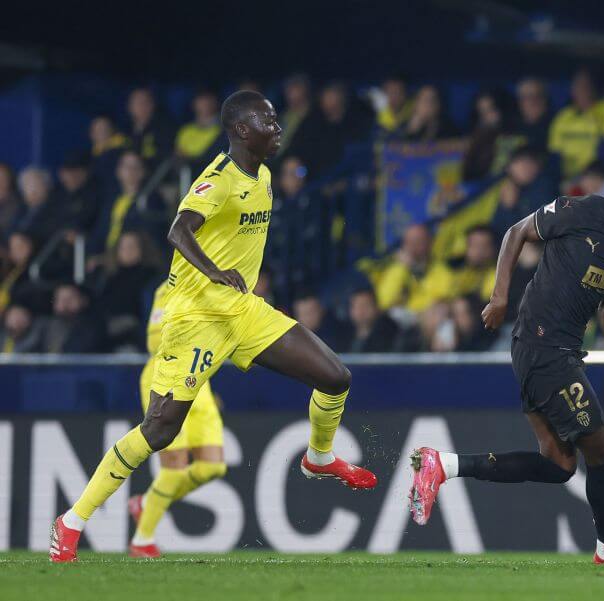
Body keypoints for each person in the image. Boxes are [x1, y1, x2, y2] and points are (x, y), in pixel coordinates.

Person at [50, 90, 377, 563]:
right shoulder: (218, 178)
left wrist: (235, 281)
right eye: (268, 120)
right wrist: (212, 270)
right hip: (196, 317)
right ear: (242, 130)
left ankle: (318, 457)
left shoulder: (263, 175)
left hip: (243, 311)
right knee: (160, 430)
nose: (278, 127)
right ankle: (72, 520)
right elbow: (179, 229)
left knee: (336, 377)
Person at [408, 158, 604, 566]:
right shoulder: (580, 211)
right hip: (542, 344)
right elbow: (517, 233)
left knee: (559, 464)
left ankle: (441, 465)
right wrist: (499, 296)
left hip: (556, 351)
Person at [125, 280, 225, 558]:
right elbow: (154, 341)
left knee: (212, 468)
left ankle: (146, 503)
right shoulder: (168, 287)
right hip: (166, 378)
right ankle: (142, 541)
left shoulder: (219, 283)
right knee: (175, 468)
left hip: (199, 381)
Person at [549, 70, 604, 180]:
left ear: (593, 88)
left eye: (586, 86)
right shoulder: (563, 116)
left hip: (597, 176)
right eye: (578, 86)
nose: (582, 90)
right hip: (568, 177)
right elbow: (555, 150)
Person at [37, 283, 104, 354]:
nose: (65, 304)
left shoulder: (94, 327)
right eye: (60, 299)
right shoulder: (44, 326)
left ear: (84, 301)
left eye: (70, 299)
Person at [127, 87, 176, 169]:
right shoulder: (125, 131)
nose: (141, 106)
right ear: (130, 106)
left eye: (145, 102)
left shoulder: (164, 129)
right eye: (138, 102)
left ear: (152, 105)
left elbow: (166, 157)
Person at [175, 89, 223, 163]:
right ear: (194, 104)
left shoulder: (223, 130)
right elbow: (179, 155)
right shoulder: (186, 130)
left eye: (208, 100)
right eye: (201, 100)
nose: (204, 104)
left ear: (215, 103)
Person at [346, 287, 398, 353]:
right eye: (357, 306)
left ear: (376, 308)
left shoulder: (391, 337)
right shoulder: (341, 336)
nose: (361, 311)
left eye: (365, 306)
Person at [513, 78, 553, 150]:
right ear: (519, 102)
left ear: (546, 99)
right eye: (528, 97)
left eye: (538, 95)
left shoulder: (558, 126)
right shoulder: (510, 128)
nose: (533, 101)